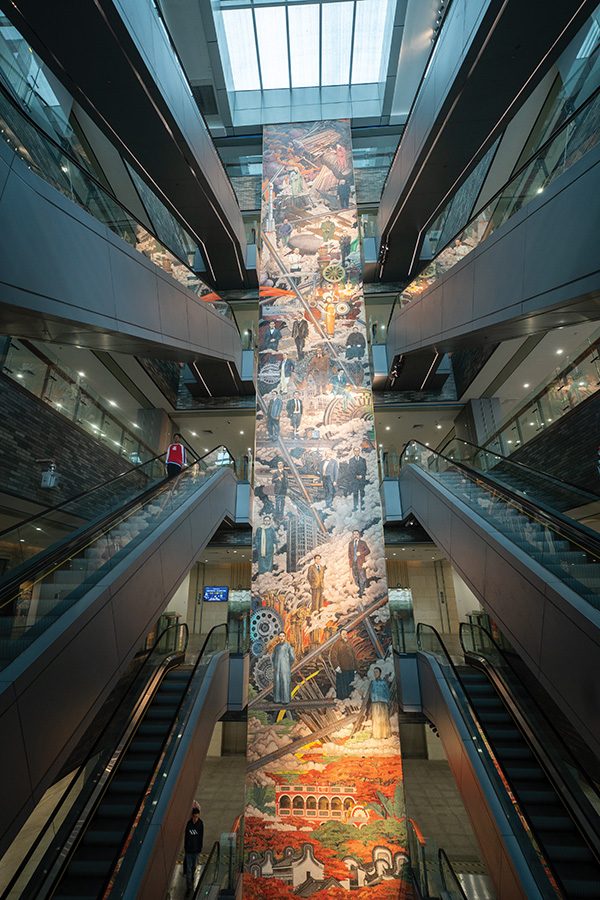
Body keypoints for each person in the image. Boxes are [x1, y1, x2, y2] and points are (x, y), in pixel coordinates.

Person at [330, 628, 357, 700]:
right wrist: (337, 667)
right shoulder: (337, 645)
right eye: (343, 634)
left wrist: (355, 668)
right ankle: (342, 701)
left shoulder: (350, 644)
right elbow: (333, 657)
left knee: (350, 685)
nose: (345, 636)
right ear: (340, 635)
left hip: (350, 669)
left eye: (346, 634)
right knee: (342, 686)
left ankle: (349, 700)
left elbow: (354, 657)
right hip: (342, 670)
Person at [183, 807, 204, 894]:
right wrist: (186, 847)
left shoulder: (200, 824)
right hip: (189, 850)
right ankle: (189, 886)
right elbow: (186, 837)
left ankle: (191, 878)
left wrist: (199, 848)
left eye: (197, 817)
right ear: (192, 816)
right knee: (188, 869)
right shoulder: (189, 824)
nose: (195, 818)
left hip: (196, 850)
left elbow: (201, 837)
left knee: (193, 867)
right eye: (194, 817)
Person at [272, 630, 295, 704]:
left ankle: (285, 700)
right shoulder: (276, 647)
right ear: (278, 637)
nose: (281, 637)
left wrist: (287, 665)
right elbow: (273, 657)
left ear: (285, 637)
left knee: (285, 683)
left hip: (285, 669)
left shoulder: (288, 646)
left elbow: (292, 658)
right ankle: (277, 699)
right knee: (277, 682)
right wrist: (275, 665)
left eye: (283, 636)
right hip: (277, 668)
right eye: (280, 636)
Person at [369, 667, 391, 739]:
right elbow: (371, 692)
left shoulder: (383, 683)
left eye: (377, 672)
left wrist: (387, 700)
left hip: (383, 702)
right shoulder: (373, 683)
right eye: (374, 672)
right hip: (375, 703)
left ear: (380, 673)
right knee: (376, 718)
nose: (375, 674)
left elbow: (387, 692)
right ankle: (377, 734)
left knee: (383, 718)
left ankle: (384, 734)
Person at [348, 529, 370, 597]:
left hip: (361, 563)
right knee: (356, 578)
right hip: (353, 563)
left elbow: (368, 551)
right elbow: (349, 553)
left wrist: (360, 553)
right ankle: (359, 591)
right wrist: (351, 561)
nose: (355, 536)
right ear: (352, 535)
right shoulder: (350, 543)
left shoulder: (363, 542)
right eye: (354, 534)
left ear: (359, 535)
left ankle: (362, 592)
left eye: (357, 534)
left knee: (362, 577)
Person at [348, 447, 367, 511]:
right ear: (353, 452)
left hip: (361, 479)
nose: (356, 452)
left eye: (358, 451)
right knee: (355, 493)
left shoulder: (363, 460)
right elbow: (350, 470)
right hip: (354, 480)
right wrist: (355, 476)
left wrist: (361, 475)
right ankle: (355, 507)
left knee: (362, 493)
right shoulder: (351, 460)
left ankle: (362, 506)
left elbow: (365, 469)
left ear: (359, 452)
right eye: (355, 451)